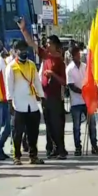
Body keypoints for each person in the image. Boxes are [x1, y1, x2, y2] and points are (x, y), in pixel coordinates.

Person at [18, 20, 66, 159]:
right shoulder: (46, 56)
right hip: (45, 96)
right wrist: (23, 29)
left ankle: (61, 150)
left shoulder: (60, 62)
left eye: (49, 43)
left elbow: (64, 81)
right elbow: (32, 44)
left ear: (56, 45)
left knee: (57, 125)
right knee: (49, 125)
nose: (47, 45)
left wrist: (53, 74)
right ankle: (55, 149)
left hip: (55, 98)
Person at [5, 39, 45, 165]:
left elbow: (37, 82)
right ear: (15, 52)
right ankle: (17, 156)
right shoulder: (11, 67)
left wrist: (41, 96)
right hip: (18, 105)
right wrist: (10, 102)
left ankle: (33, 156)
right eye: (20, 50)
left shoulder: (32, 64)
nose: (23, 52)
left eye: (25, 49)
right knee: (18, 133)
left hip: (32, 104)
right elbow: (9, 86)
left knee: (33, 132)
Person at [66, 44, 98, 156]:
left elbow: (90, 81)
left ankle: (94, 146)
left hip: (87, 101)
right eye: (75, 55)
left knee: (92, 124)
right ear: (72, 56)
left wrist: (91, 91)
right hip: (76, 102)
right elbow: (71, 86)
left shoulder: (85, 66)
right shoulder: (69, 69)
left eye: (78, 54)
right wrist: (84, 92)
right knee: (76, 126)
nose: (78, 56)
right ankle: (78, 147)